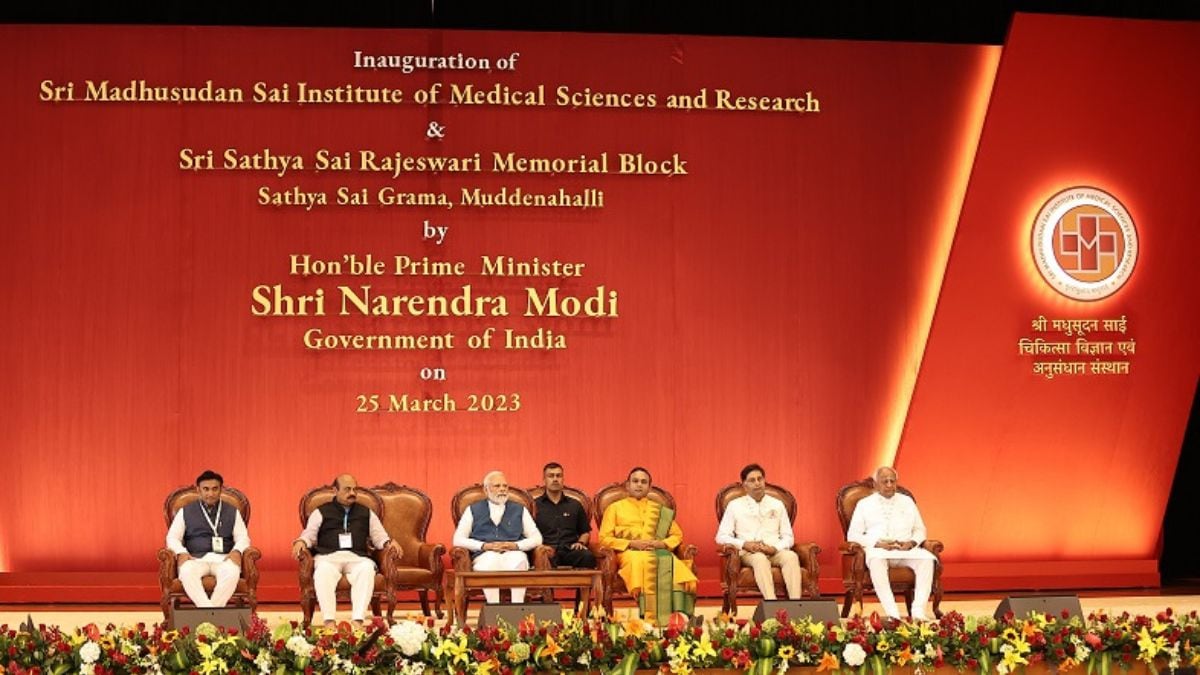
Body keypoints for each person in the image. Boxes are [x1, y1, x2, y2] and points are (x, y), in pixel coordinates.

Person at [292, 474, 398, 627]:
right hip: (328, 556)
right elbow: (309, 535)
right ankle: (329, 621)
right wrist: (301, 541)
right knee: (323, 571)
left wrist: (389, 543)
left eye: (355, 489)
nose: (352, 493)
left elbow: (379, 537)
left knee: (367, 569)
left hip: (357, 557)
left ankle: (358, 620)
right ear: (335, 490)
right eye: (347, 489)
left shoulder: (366, 512)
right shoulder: (321, 512)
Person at [599, 467, 696, 623]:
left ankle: (680, 616)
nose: (639, 485)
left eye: (643, 482)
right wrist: (631, 543)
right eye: (635, 481)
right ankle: (652, 618)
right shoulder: (614, 508)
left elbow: (677, 535)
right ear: (628, 485)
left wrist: (662, 543)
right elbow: (604, 538)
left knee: (675, 565)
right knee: (641, 563)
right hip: (630, 552)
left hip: (658, 551)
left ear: (649, 487)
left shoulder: (659, 510)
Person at [846, 466, 936, 621]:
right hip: (879, 550)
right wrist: (878, 544)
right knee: (876, 561)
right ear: (875, 484)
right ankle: (892, 613)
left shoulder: (907, 501)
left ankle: (918, 611)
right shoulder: (864, 504)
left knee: (927, 560)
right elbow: (853, 535)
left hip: (906, 550)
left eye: (892, 481)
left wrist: (912, 542)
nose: (889, 485)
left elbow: (920, 529)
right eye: (885, 481)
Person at [452, 470, 543, 604]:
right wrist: (484, 546)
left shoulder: (519, 509)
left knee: (519, 562)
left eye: (505, 486)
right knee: (489, 563)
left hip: (513, 552)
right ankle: (493, 609)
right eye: (497, 486)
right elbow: (458, 539)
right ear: (486, 490)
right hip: (485, 554)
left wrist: (516, 545)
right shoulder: (472, 510)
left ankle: (517, 608)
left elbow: (537, 538)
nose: (502, 489)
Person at [715, 463, 803, 599]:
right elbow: (721, 537)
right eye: (752, 480)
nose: (757, 483)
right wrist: (744, 544)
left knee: (791, 556)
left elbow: (788, 537)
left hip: (774, 550)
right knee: (760, 559)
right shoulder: (735, 505)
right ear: (744, 485)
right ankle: (772, 605)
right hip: (749, 553)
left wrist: (774, 548)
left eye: (760, 479)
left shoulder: (777, 504)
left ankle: (796, 604)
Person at [165, 470, 250, 608]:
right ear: (198, 490)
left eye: (215, 489)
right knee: (186, 571)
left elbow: (243, 537)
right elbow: (172, 537)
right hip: (195, 558)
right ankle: (211, 613)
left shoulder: (232, 511)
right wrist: (181, 552)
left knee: (232, 572)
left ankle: (207, 614)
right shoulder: (185, 511)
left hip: (224, 558)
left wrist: (237, 551)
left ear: (220, 490)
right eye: (206, 489)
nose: (210, 493)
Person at [533, 462, 596, 569]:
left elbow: (585, 532)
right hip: (546, 550)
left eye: (558, 475)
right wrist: (540, 547)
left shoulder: (575, 505)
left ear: (563, 479)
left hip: (570, 549)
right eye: (551, 476)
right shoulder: (535, 505)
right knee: (543, 557)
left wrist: (581, 543)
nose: (555, 479)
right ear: (544, 479)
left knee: (587, 556)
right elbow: (528, 533)